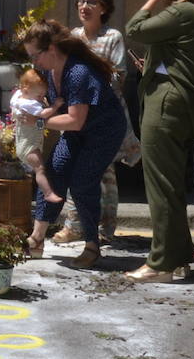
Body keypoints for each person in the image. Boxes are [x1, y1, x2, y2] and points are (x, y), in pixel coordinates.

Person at [122, 0, 194, 282]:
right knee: (172, 186)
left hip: (165, 106)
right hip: (180, 107)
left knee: (161, 187)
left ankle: (160, 262)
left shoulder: (181, 11)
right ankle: (177, 256)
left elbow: (134, 28)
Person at [20, 19, 129, 269]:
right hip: (79, 130)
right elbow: (57, 109)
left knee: (82, 182)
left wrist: (37, 123)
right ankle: (37, 239)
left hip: (103, 131)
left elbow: (75, 120)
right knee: (53, 172)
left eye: (35, 56)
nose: (33, 63)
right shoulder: (49, 71)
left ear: (51, 50)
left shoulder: (78, 72)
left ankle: (92, 245)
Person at [53, 0, 131, 244]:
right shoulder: (72, 37)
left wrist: (86, 88)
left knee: (104, 173)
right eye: (81, 1)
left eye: (91, 2)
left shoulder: (113, 37)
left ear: (104, 7)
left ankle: (104, 228)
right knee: (75, 166)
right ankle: (73, 225)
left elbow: (118, 75)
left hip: (104, 116)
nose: (84, 6)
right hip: (77, 114)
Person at [8, 68, 59, 203]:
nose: (42, 98)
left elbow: (39, 125)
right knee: (40, 169)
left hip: (29, 143)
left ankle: (46, 192)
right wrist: (55, 106)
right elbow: (43, 115)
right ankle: (47, 193)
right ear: (26, 90)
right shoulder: (29, 104)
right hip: (28, 146)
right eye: (39, 95)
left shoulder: (19, 97)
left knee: (39, 169)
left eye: (43, 95)